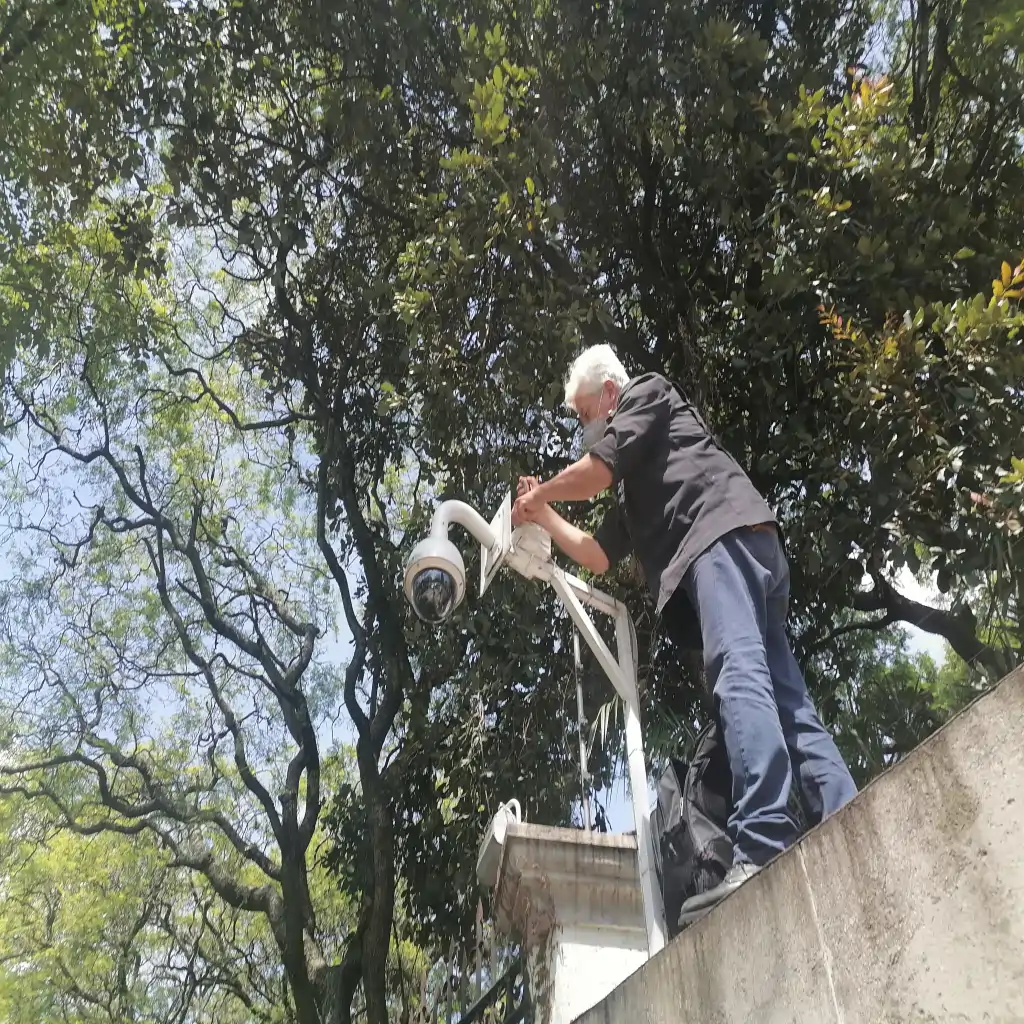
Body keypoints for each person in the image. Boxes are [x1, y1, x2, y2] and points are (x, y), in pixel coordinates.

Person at [512, 344, 857, 923]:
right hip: (745, 544)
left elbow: (595, 472)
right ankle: (844, 812)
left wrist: (540, 491)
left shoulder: (645, 393)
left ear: (610, 395)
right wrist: (543, 514)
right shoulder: (636, 475)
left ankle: (764, 839)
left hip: (718, 540)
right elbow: (598, 555)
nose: (584, 428)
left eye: (585, 415)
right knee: (787, 698)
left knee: (737, 673)